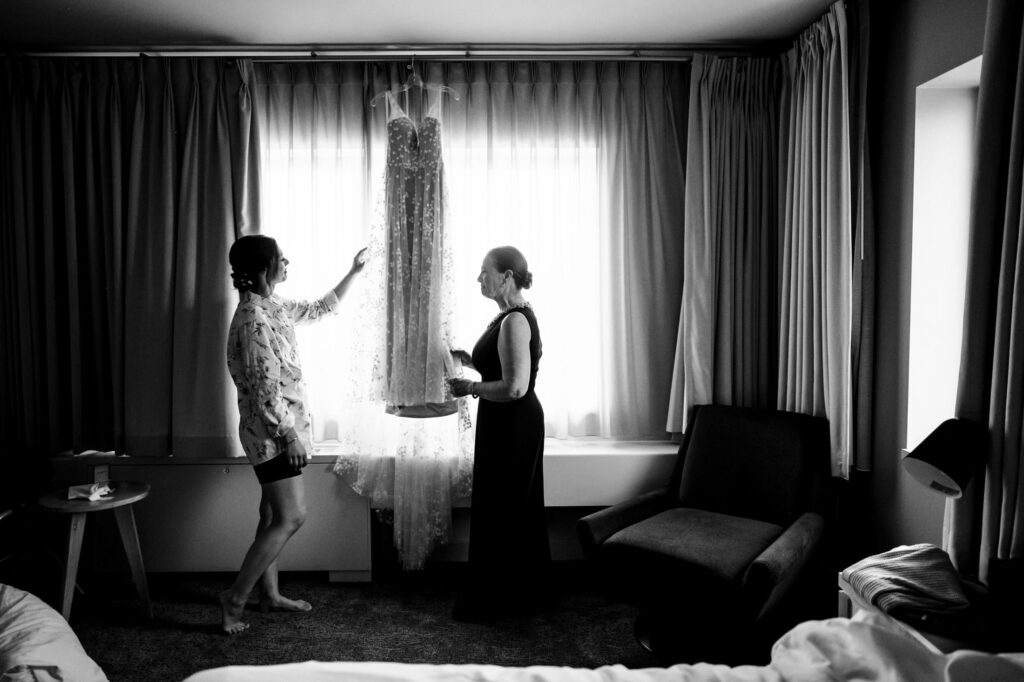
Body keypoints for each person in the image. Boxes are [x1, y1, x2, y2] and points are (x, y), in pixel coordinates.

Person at [221, 234, 366, 634]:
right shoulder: (252, 319)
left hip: (276, 430)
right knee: (292, 516)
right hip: (270, 435)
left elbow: (319, 308)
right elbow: (265, 390)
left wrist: (353, 272)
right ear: (265, 268)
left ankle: (269, 595)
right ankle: (234, 600)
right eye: (281, 259)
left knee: (271, 514)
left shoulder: (274, 307)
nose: (288, 263)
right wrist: (289, 436)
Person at [448, 245, 550, 621]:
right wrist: (469, 359)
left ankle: (506, 600)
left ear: (507, 276)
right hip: (503, 420)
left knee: (506, 507)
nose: (479, 278)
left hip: (515, 423)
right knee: (499, 505)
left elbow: (514, 387)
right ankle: (505, 592)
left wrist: (470, 388)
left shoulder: (515, 320)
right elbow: (500, 368)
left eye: (484, 271)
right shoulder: (506, 317)